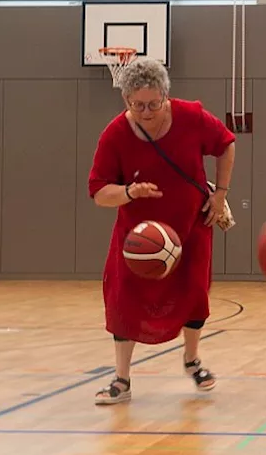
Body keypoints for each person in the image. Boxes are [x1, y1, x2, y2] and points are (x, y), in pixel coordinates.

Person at [87, 57, 237, 405]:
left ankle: (192, 360)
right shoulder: (115, 135)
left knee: (195, 293)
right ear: (126, 100)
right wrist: (128, 192)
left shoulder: (192, 117)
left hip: (191, 227)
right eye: (137, 105)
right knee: (123, 300)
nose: (147, 111)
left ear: (166, 96)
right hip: (138, 238)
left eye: (154, 103)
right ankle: (121, 380)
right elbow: (98, 191)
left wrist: (220, 194)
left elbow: (227, 143)